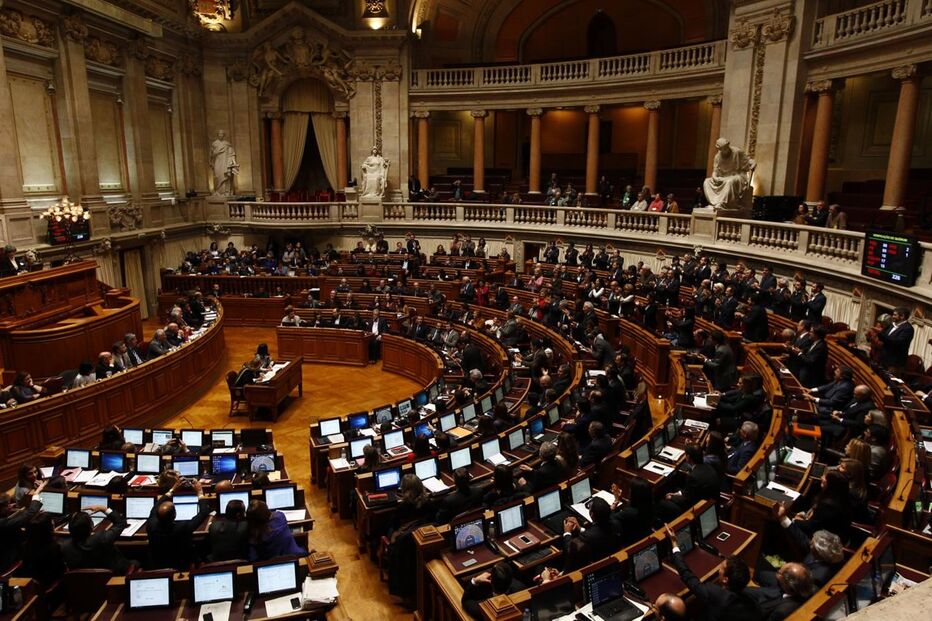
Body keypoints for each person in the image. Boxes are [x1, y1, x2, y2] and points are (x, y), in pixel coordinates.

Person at [665, 524, 760, 621]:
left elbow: (688, 576)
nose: (719, 568)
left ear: (725, 579)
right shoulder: (750, 599)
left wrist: (674, 544)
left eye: (722, 568)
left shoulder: (715, 594)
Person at [146, 479, 211, 570]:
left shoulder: (151, 524)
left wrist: (172, 490)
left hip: (157, 564)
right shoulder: (182, 527)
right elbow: (204, 512)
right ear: (175, 515)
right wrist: (199, 492)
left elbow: (156, 506)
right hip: (181, 566)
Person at [61, 502, 133, 574]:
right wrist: (104, 509)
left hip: (82, 581)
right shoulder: (102, 538)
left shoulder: (64, 546)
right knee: (136, 561)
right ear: (91, 527)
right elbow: (121, 523)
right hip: (112, 576)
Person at [658, 444, 720, 520]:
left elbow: (687, 501)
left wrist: (672, 497)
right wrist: (679, 493)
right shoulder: (709, 467)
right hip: (709, 503)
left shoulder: (693, 476)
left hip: (698, 510)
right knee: (677, 488)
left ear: (688, 457)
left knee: (662, 503)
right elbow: (693, 491)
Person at [561, 497, 619, 569]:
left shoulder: (587, 537)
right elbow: (596, 530)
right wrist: (580, 529)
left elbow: (570, 550)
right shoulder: (616, 524)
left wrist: (567, 533)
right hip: (613, 563)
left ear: (591, 514)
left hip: (595, 567)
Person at [747, 562, 816, 621]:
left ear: (786, 584)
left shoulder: (781, 611)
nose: (777, 573)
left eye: (779, 572)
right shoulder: (805, 585)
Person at [703, 138, 755, 211]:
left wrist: (752, 163)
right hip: (723, 177)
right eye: (723, 149)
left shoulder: (737, 152)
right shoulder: (717, 157)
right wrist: (715, 178)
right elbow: (715, 171)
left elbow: (748, 161)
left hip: (738, 176)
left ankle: (723, 203)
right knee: (707, 182)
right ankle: (714, 203)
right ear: (719, 149)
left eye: (726, 148)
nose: (726, 150)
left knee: (729, 182)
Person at [0, 487, 43, 573]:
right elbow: (28, 516)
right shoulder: (2, 523)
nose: (10, 506)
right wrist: (35, 500)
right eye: (7, 505)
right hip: (8, 559)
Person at [610, 478, 656, 545]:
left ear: (634, 494)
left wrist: (615, 502)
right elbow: (633, 505)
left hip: (632, 541)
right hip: (644, 532)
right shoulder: (650, 503)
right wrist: (621, 499)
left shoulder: (630, 513)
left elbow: (611, 518)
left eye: (630, 489)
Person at [208, 496, 248, 562]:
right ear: (238, 515)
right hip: (239, 562)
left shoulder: (213, 525)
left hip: (217, 563)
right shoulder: (245, 526)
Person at [874, 306, 914, 373]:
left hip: (893, 364)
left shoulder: (908, 329)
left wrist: (880, 333)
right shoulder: (892, 325)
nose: (892, 316)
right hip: (883, 359)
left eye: (895, 315)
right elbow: (885, 337)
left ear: (902, 316)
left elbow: (896, 342)